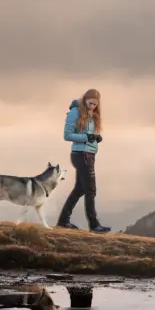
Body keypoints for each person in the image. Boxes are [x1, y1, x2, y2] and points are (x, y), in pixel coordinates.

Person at [56, 89, 111, 232]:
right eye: (90, 103)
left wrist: (96, 138)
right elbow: (67, 135)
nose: (92, 106)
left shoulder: (93, 114)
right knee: (90, 190)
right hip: (81, 154)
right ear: (85, 99)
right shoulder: (75, 112)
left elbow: (89, 133)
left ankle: (63, 221)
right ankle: (94, 225)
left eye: (95, 104)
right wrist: (87, 137)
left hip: (89, 154)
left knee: (80, 189)